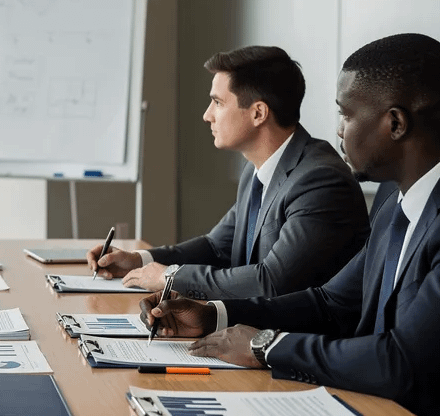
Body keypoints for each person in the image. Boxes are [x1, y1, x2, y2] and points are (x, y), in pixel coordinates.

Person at [142, 33, 440, 416]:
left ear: (395, 124)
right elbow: (332, 303)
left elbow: (404, 363)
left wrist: (265, 345)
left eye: (346, 114)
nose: (339, 130)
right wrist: (214, 315)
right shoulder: (396, 197)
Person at [89, 46, 369, 299]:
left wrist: (169, 277)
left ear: (258, 113)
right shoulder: (256, 170)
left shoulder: (320, 181)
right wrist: (140, 260)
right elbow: (217, 247)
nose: (207, 115)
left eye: (218, 103)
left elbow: (271, 282)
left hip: (297, 344)